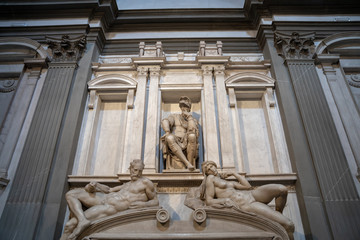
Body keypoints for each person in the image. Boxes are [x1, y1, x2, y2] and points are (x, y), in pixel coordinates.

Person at [61, 159, 159, 240]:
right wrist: (95, 185)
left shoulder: (146, 182)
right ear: (130, 169)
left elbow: (155, 201)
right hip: (103, 200)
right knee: (71, 194)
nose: (136, 173)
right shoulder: (128, 184)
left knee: (70, 225)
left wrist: (143, 205)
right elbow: (109, 190)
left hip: (109, 208)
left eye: (139, 171)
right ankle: (82, 220)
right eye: (134, 170)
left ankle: (81, 222)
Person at [200, 161, 294, 237]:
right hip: (246, 205)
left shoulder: (226, 181)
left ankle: (278, 213)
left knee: (282, 189)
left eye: (212, 166)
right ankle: (280, 221)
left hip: (252, 195)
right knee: (289, 225)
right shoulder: (210, 179)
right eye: (208, 170)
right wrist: (224, 200)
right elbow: (209, 201)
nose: (211, 170)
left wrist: (234, 173)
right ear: (206, 174)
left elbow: (247, 186)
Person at [161, 96, 199, 171]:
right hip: (175, 139)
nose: (184, 108)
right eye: (182, 106)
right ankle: (187, 163)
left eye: (186, 106)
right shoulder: (174, 116)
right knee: (169, 137)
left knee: (192, 136)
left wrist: (189, 117)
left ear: (189, 108)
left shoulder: (192, 119)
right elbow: (165, 121)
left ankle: (190, 164)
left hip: (187, 139)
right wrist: (167, 131)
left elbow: (192, 129)